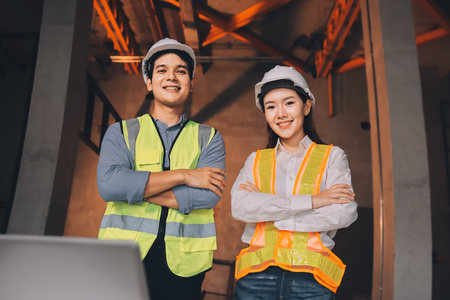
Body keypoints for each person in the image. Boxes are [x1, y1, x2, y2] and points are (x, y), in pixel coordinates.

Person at [96, 38, 226, 300]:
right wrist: (185, 175)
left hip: (185, 264)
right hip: (124, 257)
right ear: (149, 82)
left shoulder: (209, 137)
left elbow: (207, 196)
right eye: (162, 70)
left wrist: (132, 187)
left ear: (191, 84)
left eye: (180, 71)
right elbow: (109, 186)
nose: (172, 77)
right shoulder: (121, 132)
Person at [231, 65, 358, 299]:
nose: (280, 113)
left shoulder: (332, 157)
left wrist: (274, 214)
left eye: (289, 102)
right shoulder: (256, 160)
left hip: (312, 281)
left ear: (306, 106)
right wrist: (314, 201)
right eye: (271, 107)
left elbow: (344, 212)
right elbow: (240, 207)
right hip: (256, 277)